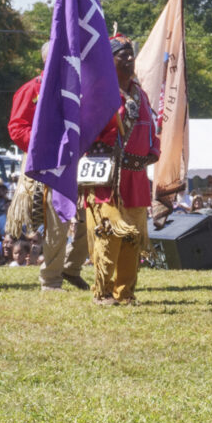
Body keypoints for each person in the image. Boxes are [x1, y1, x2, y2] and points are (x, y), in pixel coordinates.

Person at [84, 39, 160, 304]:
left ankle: (125, 292)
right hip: (108, 175)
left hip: (136, 175)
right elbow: (87, 131)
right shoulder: (99, 92)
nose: (129, 59)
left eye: (131, 55)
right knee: (110, 231)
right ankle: (103, 291)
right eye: (122, 56)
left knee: (133, 236)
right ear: (109, 61)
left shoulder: (140, 93)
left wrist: (154, 149)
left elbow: (151, 125)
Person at [6, 55, 89, 290]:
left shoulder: (79, 89)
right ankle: (51, 280)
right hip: (48, 164)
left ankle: (71, 268)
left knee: (87, 218)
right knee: (57, 219)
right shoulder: (31, 90)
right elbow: (16, 127)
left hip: (80, 162)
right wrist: (45, 144)